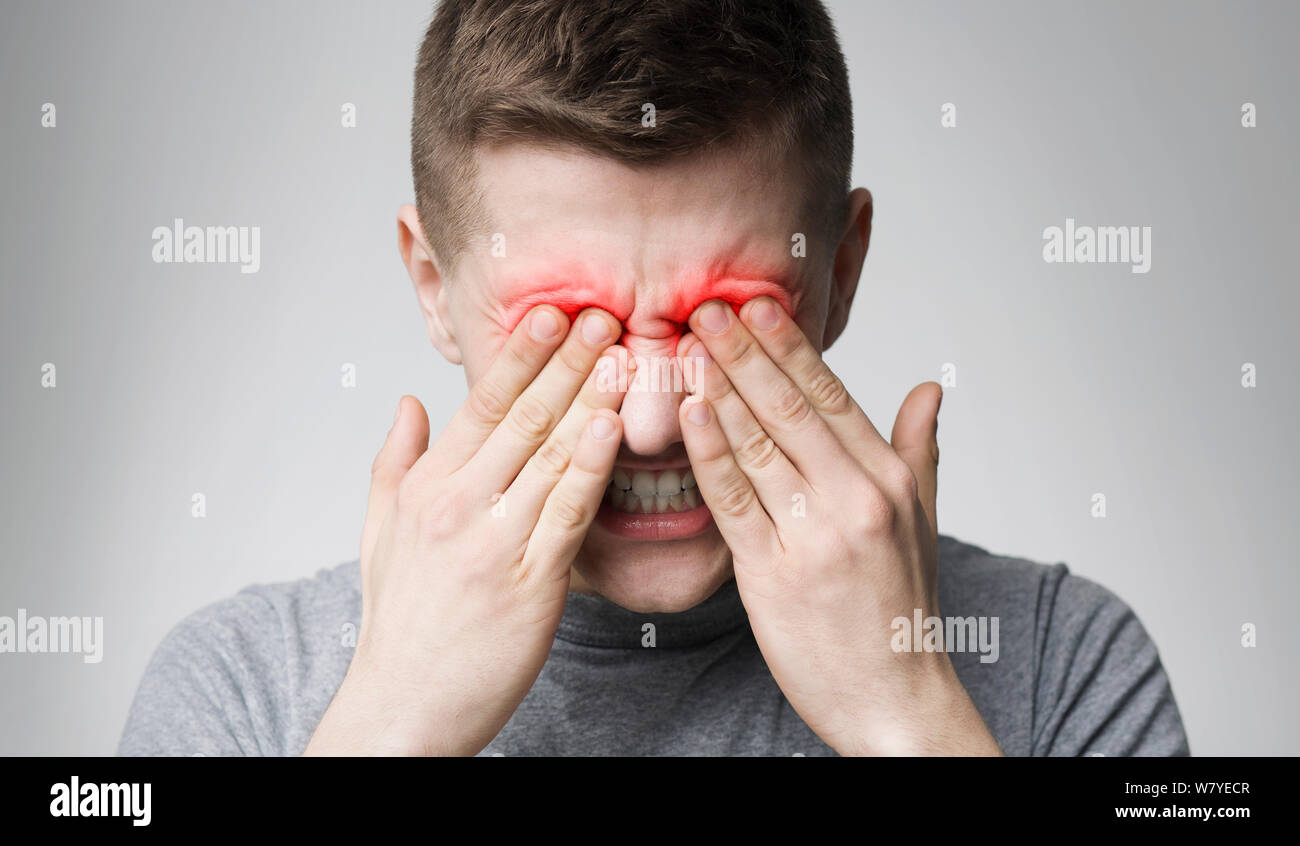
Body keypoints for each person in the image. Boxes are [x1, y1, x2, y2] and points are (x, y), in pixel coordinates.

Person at [119, 0, 1188, 756]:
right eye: (568, 328)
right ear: (434, 287)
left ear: (842, 270)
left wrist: (905, 716)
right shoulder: (239, 690)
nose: (644, 422)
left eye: (724, 317)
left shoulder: (1062, 659)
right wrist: (392, 727)